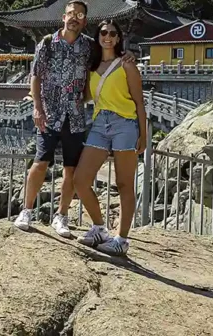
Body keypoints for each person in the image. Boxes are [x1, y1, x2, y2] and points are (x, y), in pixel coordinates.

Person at [14, 0, 134, 236]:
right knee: (40, 162)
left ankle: (61, 216)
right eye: (71, 13)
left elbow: (109, 54)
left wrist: (127, 55)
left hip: (75, 116)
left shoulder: (89, 46)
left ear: (84, 21)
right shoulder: (47, 43)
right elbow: (35, 75)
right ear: (63, 17)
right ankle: (26, 210)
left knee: (71, 168)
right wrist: (37, 108)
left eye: (79, 15)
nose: (74, 18)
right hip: (49, 114)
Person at [73, 19, 147, 255]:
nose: (108, 37)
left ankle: (121, 239)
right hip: (99, 123)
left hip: (125, 124)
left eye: (113, 34)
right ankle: (99, 228)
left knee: (124, 183)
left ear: (118, 38)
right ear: (98, 36)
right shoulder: (92, 66)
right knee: (80, 180)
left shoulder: (127, 65)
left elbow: (139, 102)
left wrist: (143, 135)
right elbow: (86, 95)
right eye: (104, 32)